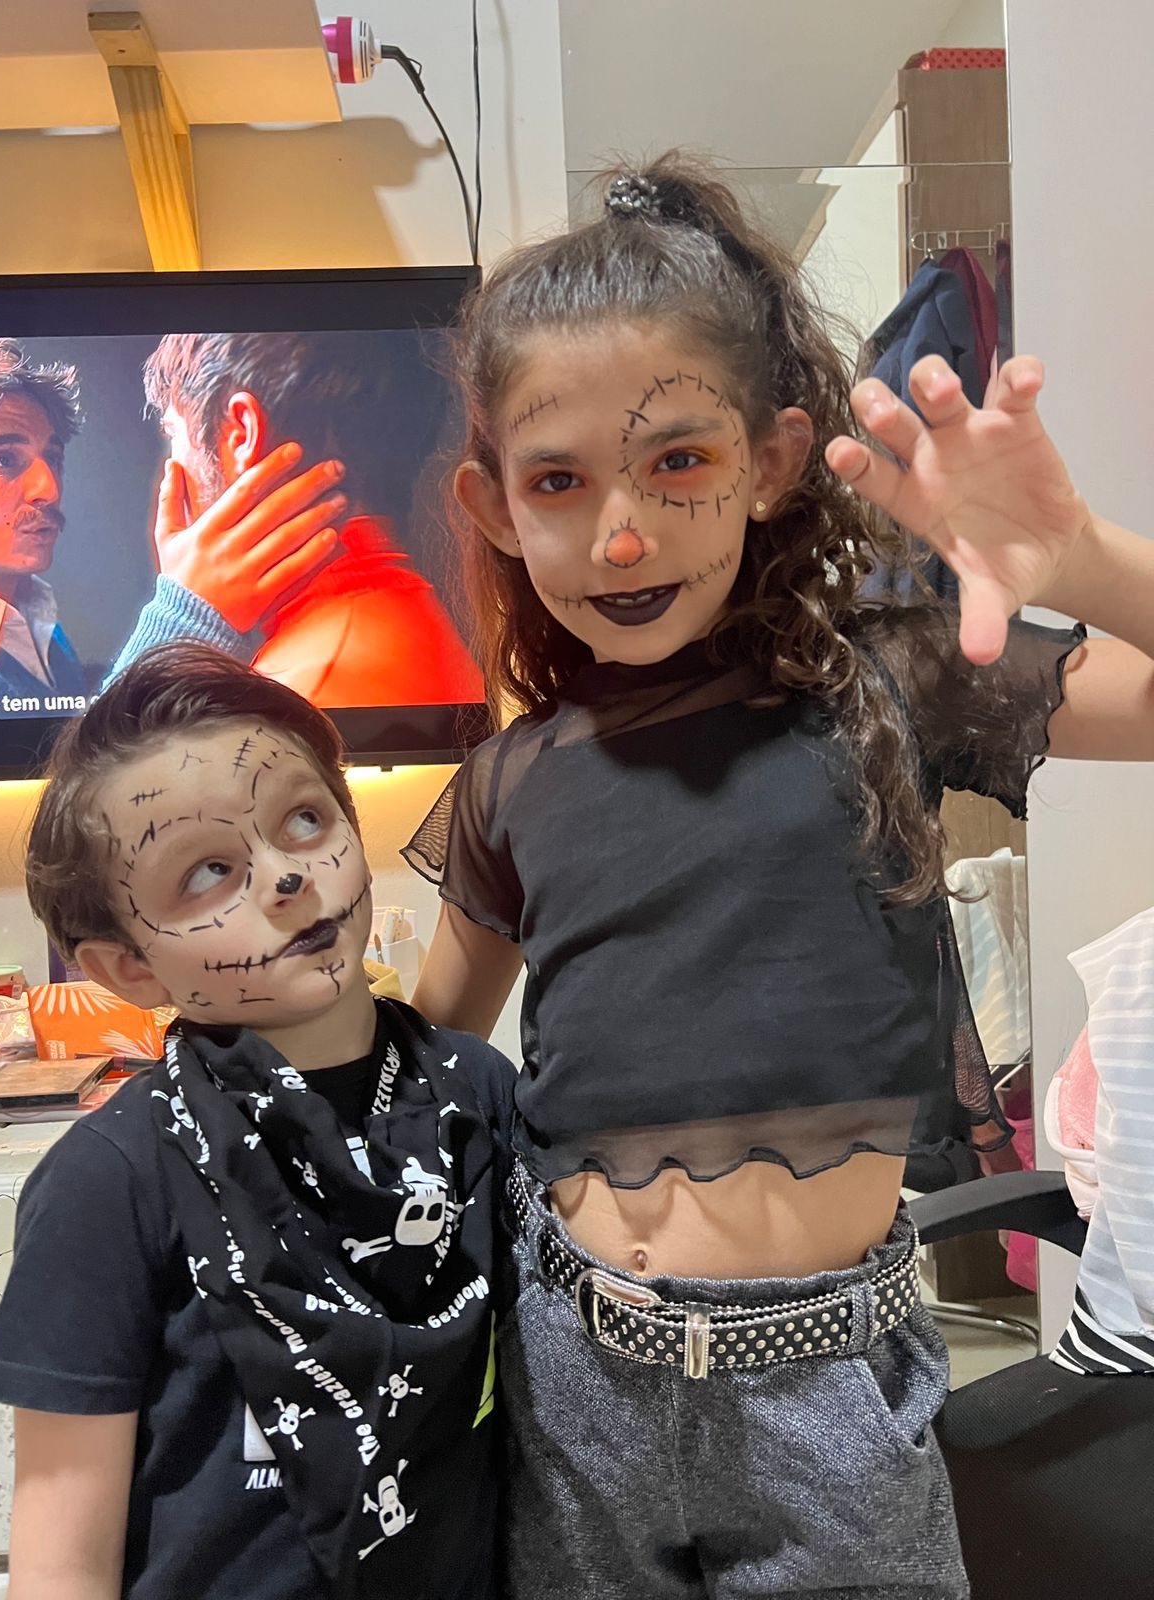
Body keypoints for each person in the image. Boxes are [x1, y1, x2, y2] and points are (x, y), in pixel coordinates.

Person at [403, 155, 1154, 1598]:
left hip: (832, 1391)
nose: (621, 531)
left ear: (773, 460)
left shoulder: (892, 681)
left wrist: (1082, 556)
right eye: (558, 480)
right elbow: (420, 1065)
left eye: (678, 460)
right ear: (493, 506)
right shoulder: (510, 781)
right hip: (576, 1384)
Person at [0, 642, 516, 1600]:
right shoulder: (113, 1176)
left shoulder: (477, 1094)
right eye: (207, 872)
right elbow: (62, 1562)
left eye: (305, 820)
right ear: (128, 969)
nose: (285, 877)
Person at [0, 339, 345, 716]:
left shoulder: (33, 617)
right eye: (3, 460)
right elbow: (82, 763)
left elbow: (58, 746)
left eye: (52, 457)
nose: (49, 489)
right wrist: (188, 615)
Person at [141, 333, 484, 707]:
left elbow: (113, 748)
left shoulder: (302, 696)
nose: (170, 468)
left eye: (173, 431)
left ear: (240, 433)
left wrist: (182, 616)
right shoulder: (400, 615)